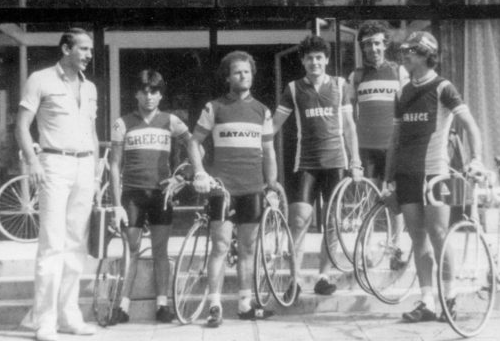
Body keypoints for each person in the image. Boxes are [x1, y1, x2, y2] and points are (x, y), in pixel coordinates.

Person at [385, 31, 483, 322]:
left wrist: (476, 158)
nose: (405, 56)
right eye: (404, 51)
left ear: (426, 55)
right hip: (407, 174)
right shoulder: (401, 91)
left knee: (440, 235)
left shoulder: (443, 87)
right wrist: (387, 180)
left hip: (436, 173)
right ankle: (427, 302)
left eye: (411, 51)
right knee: (418, 239)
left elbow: (470, 126)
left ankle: (450, 297)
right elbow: (394, 140)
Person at [15, 28, 98, 341]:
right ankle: (45, 321)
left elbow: (90, 129)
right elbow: (22, 126)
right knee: (52, 243)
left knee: (77, 243)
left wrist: (96, 168)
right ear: (66, 48)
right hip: (54, 164)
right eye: (84, 48)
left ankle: (69, 315)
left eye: (90, 49)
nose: (89, 54)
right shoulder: (40, 79)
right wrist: (33, 161)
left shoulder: (89, 88)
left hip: (85, 164)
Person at [188, 51, 278, 327]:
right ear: (227, 77)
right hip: (223, 190)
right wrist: (200, 172)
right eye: (238, 72)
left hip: (253, 188)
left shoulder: (262, 110)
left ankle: (244, 304)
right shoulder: (214, 107)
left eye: (247, 72)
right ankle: (214, 305)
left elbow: (269, 151)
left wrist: (272, 186)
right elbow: (194, 143)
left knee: (249, 248)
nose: (243, 76)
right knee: (220, 246)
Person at [273, 35, 363, 300]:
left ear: (326, 60)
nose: (314, 62)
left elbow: (349, 127)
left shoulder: (340, 85)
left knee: (332, 222)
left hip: (336, 162)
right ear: (302, 60)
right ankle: (294, 279)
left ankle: (324, 276)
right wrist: (257, 143)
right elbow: (275, 125)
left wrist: (355, 161)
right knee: (298, 219)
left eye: (319, 57)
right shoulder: (293, 88)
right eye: (309, 58)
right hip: (306, 163)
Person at [108, 69, 191, 324]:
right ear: (136, 94)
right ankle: (122, 306)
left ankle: (162, 305)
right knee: (130, 249)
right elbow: (114, 165)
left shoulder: (171, 121)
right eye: (144, 92)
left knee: (160, 250)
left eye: (154, 92)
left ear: (160, 94)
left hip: (160, 194)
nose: (148, 97)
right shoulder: (122, 123)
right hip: (132, 194)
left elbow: (195, 146)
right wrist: (116, 204)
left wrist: (182, 177)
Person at [348, 21, 408, 269]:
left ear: (385, 44)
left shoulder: (399, 72)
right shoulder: (356, 76)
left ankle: (396, 249)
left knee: (395, 200)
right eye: (368, 44)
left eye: (377, 43)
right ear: (362, 47)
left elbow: (406, 110)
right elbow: (349, 116)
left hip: (393, 147)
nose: (373, 48)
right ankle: (368, 250)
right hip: (366, 148)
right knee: (369, 201)